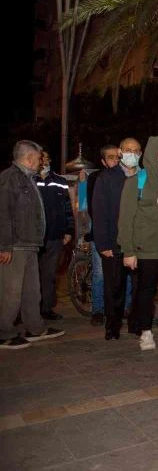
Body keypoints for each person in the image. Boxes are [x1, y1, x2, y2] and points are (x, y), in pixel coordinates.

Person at [0, 141, 65, 349]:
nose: (40, 163)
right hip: (15, 245)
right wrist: (4, 246)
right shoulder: (9, 178)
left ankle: (35, 328)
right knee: (11, 292)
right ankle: (3, 332)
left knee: (32, 290)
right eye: (38, 158)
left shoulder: (27, 178)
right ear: (29, 158)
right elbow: (3, 214)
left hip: (29, 244)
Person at [118, 136, 158, 352]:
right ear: (153, 153)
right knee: (146, 290)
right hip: (146, 248)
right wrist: (128, 250)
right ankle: (145, 331)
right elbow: (125, 219)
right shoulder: (137, 181)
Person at [93, 137, 141, 340]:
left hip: (140, 243)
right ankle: (112, 327)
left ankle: (136, 324)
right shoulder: (107, 177)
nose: (132, 154)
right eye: (128, 150)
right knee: (114, 287)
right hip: (113, 242)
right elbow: (99, 211)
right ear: (121, 152)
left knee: (140, 288)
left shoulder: (145, 177)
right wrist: (103, 243)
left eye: (136, 151)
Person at [86, 145, 132, 326]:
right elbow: (96, 210)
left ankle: (125, 307)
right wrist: (102, 241)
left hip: (122, 236)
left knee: (126, 275)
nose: (115, 160)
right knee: (100, 274)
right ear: (103, 161)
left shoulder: (127, 176)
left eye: (117, 157)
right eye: (111, 157)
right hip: (103, 234)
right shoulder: (98, 178)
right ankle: (98, 310)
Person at [35, 151, 74, 320]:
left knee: (49, 274)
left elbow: (67, 208)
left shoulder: (60, 181)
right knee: (31, 276)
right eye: (41, 159)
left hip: (54, 236)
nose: (44, 162)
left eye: (47, 158)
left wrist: (69, 231)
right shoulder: (29, 180)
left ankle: (46, 308)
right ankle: (29, 310)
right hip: (33, 237)